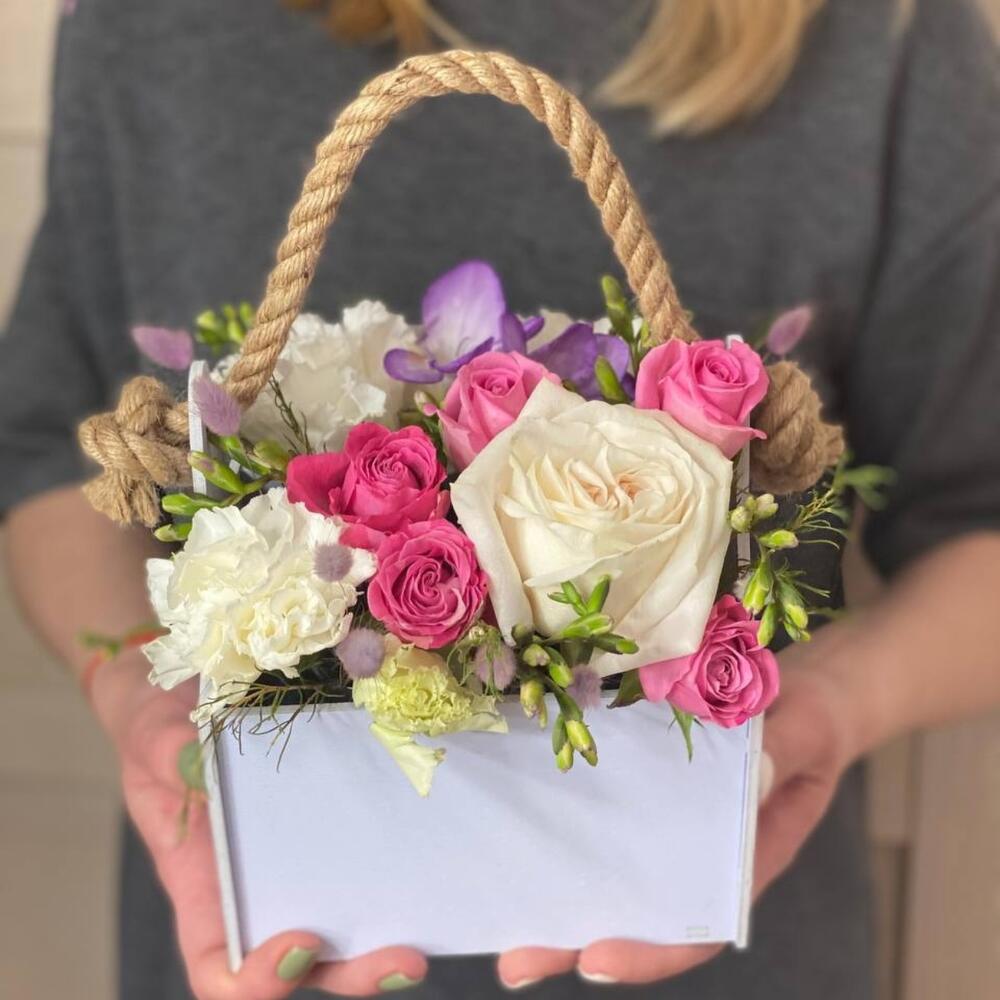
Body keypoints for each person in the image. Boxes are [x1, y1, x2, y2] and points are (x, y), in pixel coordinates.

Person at [2, 1, 998, 998]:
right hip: (257, 924)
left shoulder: (881, 34)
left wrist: (829, 705)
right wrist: (143, 699)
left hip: (728, 943)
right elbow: (50, 447)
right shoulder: (149, 25)